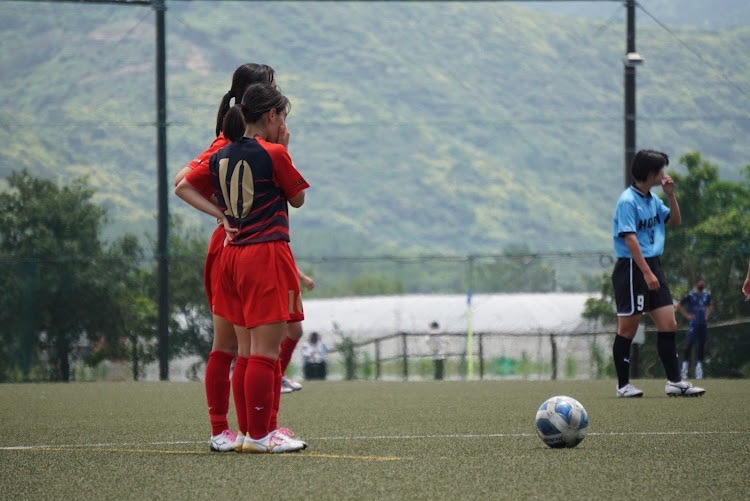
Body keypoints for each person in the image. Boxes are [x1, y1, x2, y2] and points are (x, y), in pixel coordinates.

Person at [176, 82, 309, 453]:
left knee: (244, 353)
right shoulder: (272, 153)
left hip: (231, 255)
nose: (282, 123)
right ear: (270, 116)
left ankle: (247, 434)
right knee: (263, 354)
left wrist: (222, 215)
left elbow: (183, 186)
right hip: (265, 253)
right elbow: (296, 199)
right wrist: (284, 148)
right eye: (281, 116)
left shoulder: (221, 154)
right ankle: (260, 436)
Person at [610, 149, 705, 398]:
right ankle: (623, 386)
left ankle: (674, 382)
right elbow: (630, 239)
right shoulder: (628, 201)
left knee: (669, 323)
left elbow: (674, 221)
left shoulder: (652, 199)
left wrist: (671, 196)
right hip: (632, 268)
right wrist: (646, 273)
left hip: (653, 264)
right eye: (660, 169)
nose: (664, 174)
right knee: (628, 328)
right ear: (650, 173)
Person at [676, 277, 712, 380]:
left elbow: (709, 306)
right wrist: (687, 315)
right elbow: (679, 305)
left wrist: (706, 316)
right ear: (696, 284)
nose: (702, 284)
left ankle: (699, 371)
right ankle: (684, 370)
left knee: (701, 345)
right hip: (693, 324)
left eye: (703, 283)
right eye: (700, 283)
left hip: (702, 324)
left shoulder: (706, 295)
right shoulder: (690, 295)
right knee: (689, 345)